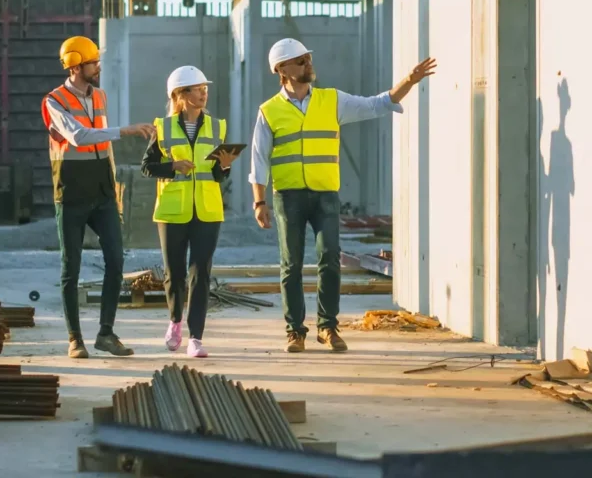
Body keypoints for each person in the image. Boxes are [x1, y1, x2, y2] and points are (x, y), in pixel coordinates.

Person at [249, 38, 436, 354]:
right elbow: (259, 158)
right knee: (291, 265)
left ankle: (327, 327)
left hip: (325, 196)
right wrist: (259, 201)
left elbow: (378, 103)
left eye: (308, 58)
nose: (308, 64)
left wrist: (410, 80)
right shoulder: (269, 111)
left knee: (329, 260)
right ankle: (295, 331)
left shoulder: (331, 101)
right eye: (300, 61)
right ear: (281, 70)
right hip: (288, 197)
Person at [41, 35, 155, 359]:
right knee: (70, 267)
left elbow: (104, 149)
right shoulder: (54, 101)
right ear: (76, 66)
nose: (98, 67)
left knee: (116, 261)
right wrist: (126, 130)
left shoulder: (100, 96)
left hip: (103, 193)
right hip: (72, 194)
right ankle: (74, 338)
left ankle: (106, 333)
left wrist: (115, 189)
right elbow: (77, 137)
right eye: (93, 63)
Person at [141, 66, 239, 358]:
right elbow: (147, 167)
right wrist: (173, 166)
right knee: (175, 274)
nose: (203, 92)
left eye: (204, 88)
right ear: (180, 95)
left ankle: (196, 338)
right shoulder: (164, 128)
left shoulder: (217, 126)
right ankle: (174, 321)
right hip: (172, 211)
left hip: (208, 210)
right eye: (197, 89)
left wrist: (224, 166)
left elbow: (221, 176)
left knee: (201, 274)